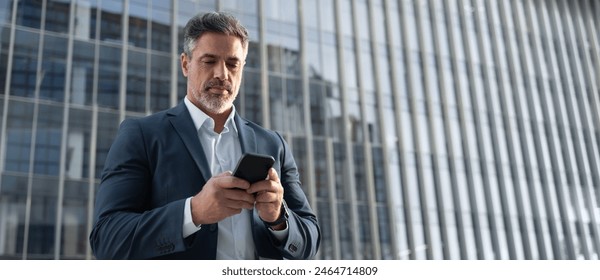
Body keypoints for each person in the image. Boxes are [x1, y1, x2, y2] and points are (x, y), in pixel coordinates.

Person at [89, 11, 320, 260]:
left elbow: (310, 240)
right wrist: (194, 212)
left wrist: (277, 219)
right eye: (209, 61)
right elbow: (107, 240)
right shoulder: (141, 135)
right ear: (186, 64)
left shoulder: (273, 144)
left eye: (233, 63)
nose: (222, 74)